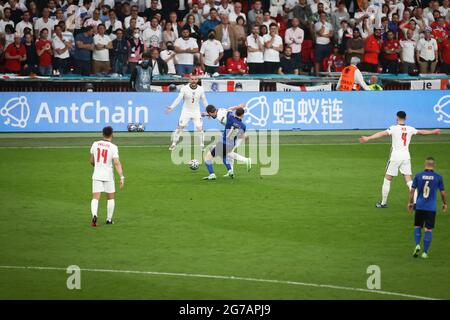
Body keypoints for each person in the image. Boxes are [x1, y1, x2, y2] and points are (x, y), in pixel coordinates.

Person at [359, 111, 441, 209]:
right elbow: (422, 132)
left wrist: (368, 138)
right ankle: (415, 203)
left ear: (397, 117)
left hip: (395, 157)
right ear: (405, 118)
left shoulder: (394, 128)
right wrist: (433, 132)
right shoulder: (410, 129)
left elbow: (381, 134)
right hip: (406, 156)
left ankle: (383, 203)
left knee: (387, 178)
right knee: (409, 180)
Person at [408, 157, 447, 259]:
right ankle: (425, 252)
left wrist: (410, 203)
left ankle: (417, 245)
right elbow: (443, 193)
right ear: (434, 165)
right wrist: (444, 203)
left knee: (417, 227)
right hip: (431, 208)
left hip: (420, 206)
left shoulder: (418, 176)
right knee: (428, 230)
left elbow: (412, 191)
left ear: (425, 164)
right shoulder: (438, 177)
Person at [89, 126, 125, 227]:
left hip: (97, 174)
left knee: (95, 197)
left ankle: (94, 215)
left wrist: (98, 166)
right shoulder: (113, 147)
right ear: (112, 134)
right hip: (108, 175)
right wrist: (121, 177)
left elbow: (92, 161)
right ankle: (109, 219)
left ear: (102, 134)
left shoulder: (95, 144)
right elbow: (116, 163)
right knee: (110, 198)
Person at [165, 75, 208, 151]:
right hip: (186, 111)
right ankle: (173, 144)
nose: (193, 81)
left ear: (197, 80)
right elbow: (179, 98)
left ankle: (202, 145)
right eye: (192, 79)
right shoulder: (184, 88)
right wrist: (171, 107)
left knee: (200, 128)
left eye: (195, 79)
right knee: (180, 128)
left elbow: (204, 100)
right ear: (189, 80)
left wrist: (208, 110)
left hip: (196, 111)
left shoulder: (201, 89)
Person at [204, 104, 252, 172]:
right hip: (235, 133)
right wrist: (238, 107)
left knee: (227, 153)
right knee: (227, 152)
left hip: (233, 136)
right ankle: (231, 171)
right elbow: (230, 109)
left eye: (210, 114)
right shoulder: (221, 110)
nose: (211, 116)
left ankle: (246, 160)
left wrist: (244, 137)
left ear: (211, 112)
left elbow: (230, 111)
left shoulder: (227, 118)